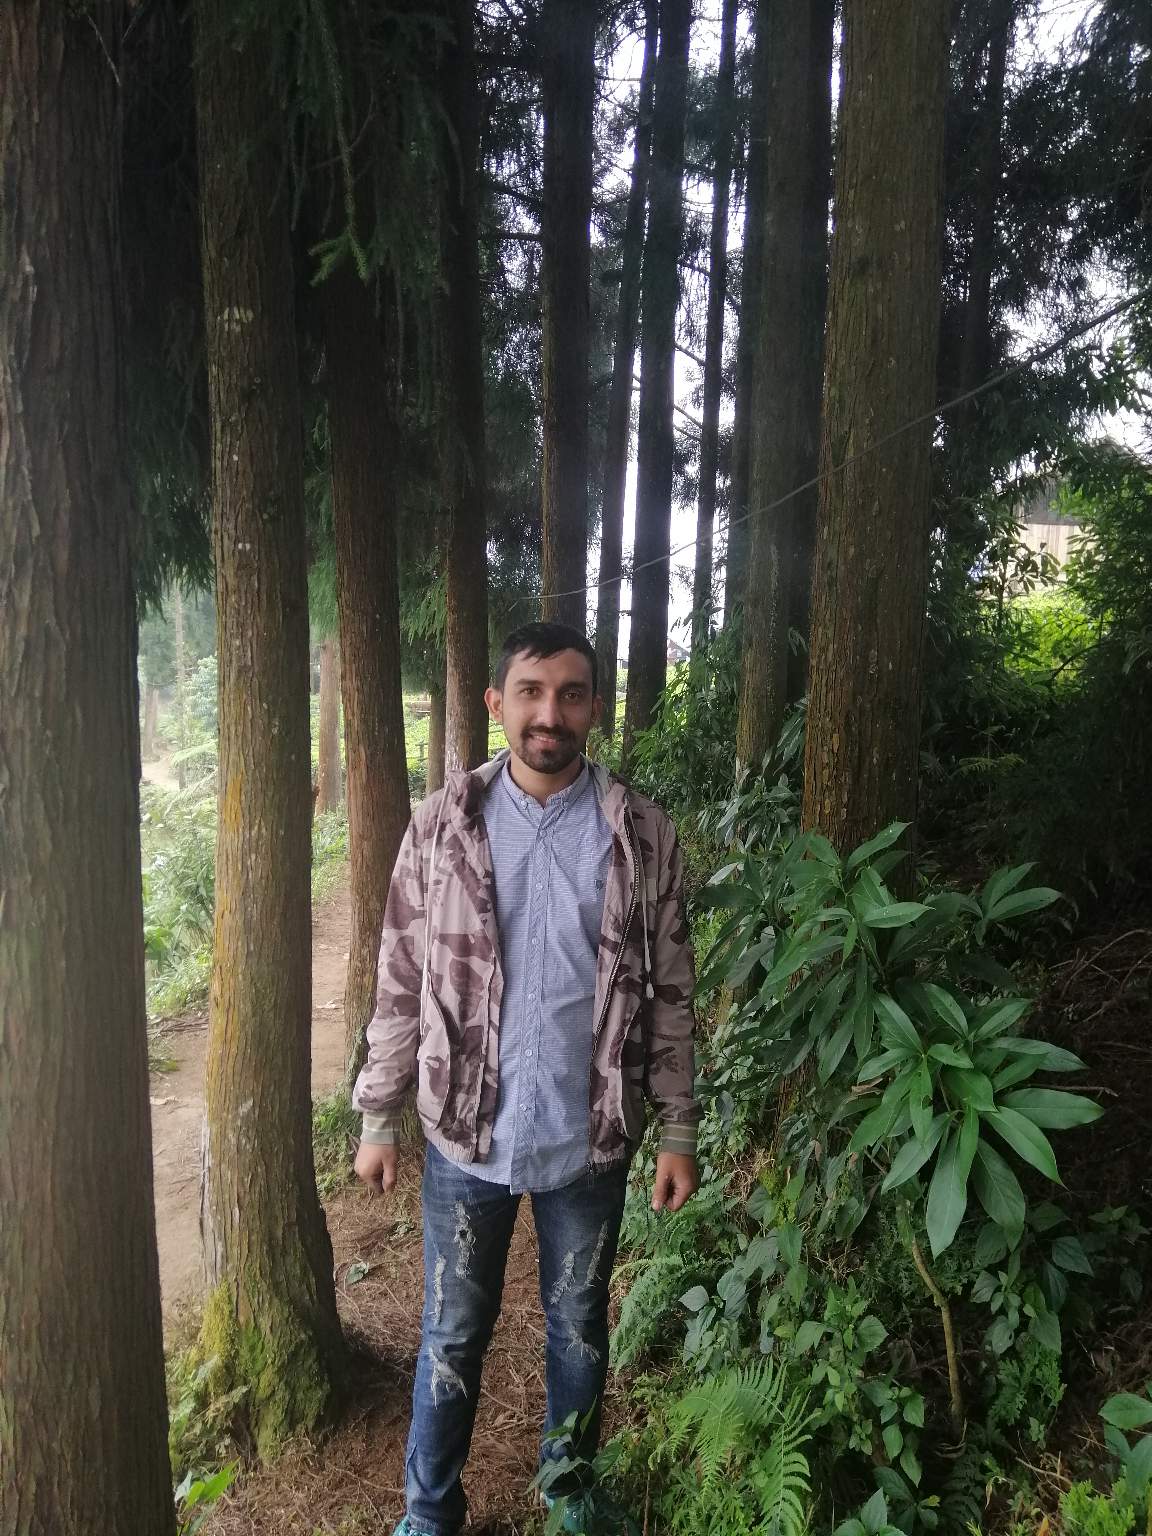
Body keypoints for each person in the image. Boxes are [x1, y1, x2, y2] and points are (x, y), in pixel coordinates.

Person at [353, 621, 700, 1536]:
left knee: (579, 1325)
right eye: (532, 693)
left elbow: (671, 990)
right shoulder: (442, 826)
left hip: (590, 1134)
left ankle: (570, 1491)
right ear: (496, 703)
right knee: (451, 1331)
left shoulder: (641, 835)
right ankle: (429, 1514)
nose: (551, 714)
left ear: (595, 708)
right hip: (467, 1134)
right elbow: (400, 975)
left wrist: (678, 1127)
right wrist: (380, 1114)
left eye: (572, 694)